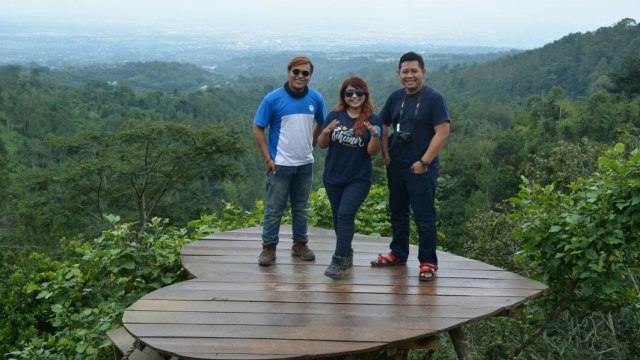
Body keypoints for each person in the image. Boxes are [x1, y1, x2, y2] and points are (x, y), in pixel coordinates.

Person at [371, 51, 451, 281]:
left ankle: (427, 262)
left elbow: (442, 131)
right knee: (398, 212)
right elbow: (383, 123)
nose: (409, 75)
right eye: (405, 71)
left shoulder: (434, 98)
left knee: (424, 216)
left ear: (423, 72)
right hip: (396, 165)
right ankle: (398, 253)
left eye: (414, 71)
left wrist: (424, 161)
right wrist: (386, 154)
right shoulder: (396, 97)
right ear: (398, 73)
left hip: (421, 167)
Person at [252, 55, 327, 266]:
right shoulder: (272, 99)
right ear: (288, 72)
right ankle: (268, 247)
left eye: (306, 73)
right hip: (280, 164)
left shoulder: (316, 98)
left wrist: (310, 143)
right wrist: (268, 158)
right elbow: (257, 127)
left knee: (301, 207)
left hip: (304, 163)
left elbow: (321, 122)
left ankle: (300, 244)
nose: (300, 76)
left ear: (310, 76)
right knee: (274, 208)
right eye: (296, 72)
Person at [317, 76, 382, 279]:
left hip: (358, 178)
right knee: (338, 219)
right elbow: (321, 144)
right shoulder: (334, 115)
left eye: (358, 93)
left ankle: (338, 258)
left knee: (345, 214)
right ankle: (347, 254)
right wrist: (326, 131)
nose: (354, 96)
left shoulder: (373, 119)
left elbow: (372, 152)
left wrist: (375, 136)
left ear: (365, 95)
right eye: (349, 93)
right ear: (343, 96)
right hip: (333, 176)